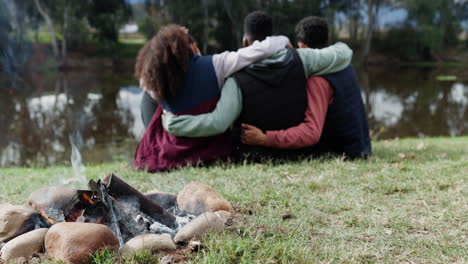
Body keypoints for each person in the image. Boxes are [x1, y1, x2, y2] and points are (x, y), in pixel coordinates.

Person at [162, 12, 360, 160]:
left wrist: (175, 124)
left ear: (245, 41)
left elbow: (218, 122)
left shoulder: (235, 78)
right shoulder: (301, 59)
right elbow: (342, 54)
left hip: (255, 154)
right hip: (300, 152)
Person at [134, 24, 291, 171]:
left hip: (173, 151)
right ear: (191, 48)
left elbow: (145, 80)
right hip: (212, 151)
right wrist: (283, 40)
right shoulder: (216, 65)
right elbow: (259, 50)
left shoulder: (156, 81)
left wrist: (166, 41)